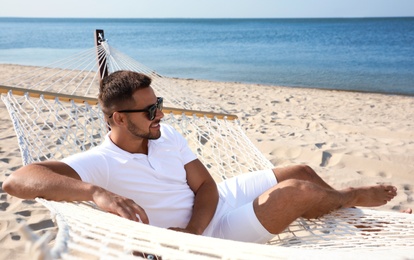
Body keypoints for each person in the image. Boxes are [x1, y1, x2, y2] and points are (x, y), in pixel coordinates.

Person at [2, 70, 400, 243]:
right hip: (209, 237)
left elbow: (206, 185)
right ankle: (351, 198)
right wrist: (95, 193)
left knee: (299, 169)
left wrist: (195, 223)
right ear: (119, 118)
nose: (161, 115)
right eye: (150, 111)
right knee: (295, 190)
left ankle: (347, 214)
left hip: (211, 210)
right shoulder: (100, 162)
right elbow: (17, 180)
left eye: (159, 104)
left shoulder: (166, 135)